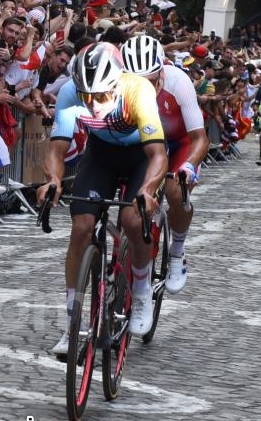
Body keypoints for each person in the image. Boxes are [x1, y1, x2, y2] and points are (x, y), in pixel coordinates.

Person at [38, 42, 167, 356]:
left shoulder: (138, 90)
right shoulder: (70, 92)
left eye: (102, 96)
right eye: (87, 97)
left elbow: (158, 154)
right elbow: (56, 148)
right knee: (81, 227)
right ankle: (72, 324)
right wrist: (53, 180)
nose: (94, 105)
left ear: (117, 83)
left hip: (141, 156)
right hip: (101, 155)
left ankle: (141, 292)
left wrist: (148, 190)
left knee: (133, 220)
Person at [120, 35, 208, 294]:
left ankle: (177, 251)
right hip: (145, 145)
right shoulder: (117, 84)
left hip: (180, 143)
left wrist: (188, 167)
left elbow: (200, 139)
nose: (143, 88)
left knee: (175, 191)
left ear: (162, 72)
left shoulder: (178, 82)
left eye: (149, 81)